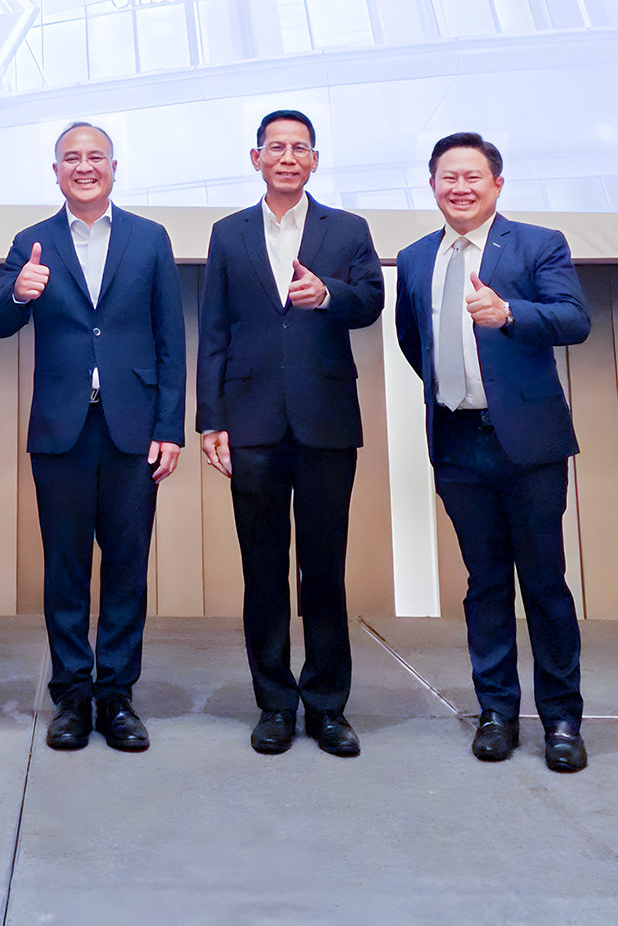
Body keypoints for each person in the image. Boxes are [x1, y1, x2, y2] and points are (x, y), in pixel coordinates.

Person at [394, 131, 593, 773]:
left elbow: (574, 320)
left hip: (527, 443)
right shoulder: (415, 257)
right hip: (456, 440)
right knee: (484, 584)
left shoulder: (537, 244)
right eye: (447, 177)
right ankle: (496, 712)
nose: (460, 188)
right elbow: (413, 340)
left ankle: (561, 719)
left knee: (543, 582)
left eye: (472, 176)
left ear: (496, 184)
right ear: (432, 185)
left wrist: (509, 314)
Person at [0, 123, 185, 754]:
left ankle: (117, 695)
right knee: (65, 568)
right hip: (61, 429)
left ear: (114, 167)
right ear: (56, 172)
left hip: (133, 428)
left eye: (95, 156)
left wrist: (170, 427)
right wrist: (17, 294)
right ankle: (72, 696)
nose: (84, 166)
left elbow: (170, 340)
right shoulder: (33, 241)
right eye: (71, 158)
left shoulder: (150, 238)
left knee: (127, 567)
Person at [196, 108, 383, 759]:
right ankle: (274, 702)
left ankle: (328, 705)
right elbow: (214, 330)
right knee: (263, 568)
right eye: (275, 147)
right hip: (251, 421)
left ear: (314, 160)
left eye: (299, 147)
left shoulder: (348, 229)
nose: (287, 157)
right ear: (256, 158)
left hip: (326, 419)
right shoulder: (229, 232)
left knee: (324, 568)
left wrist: (328, 294)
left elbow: (371, 302)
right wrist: (211, 418)